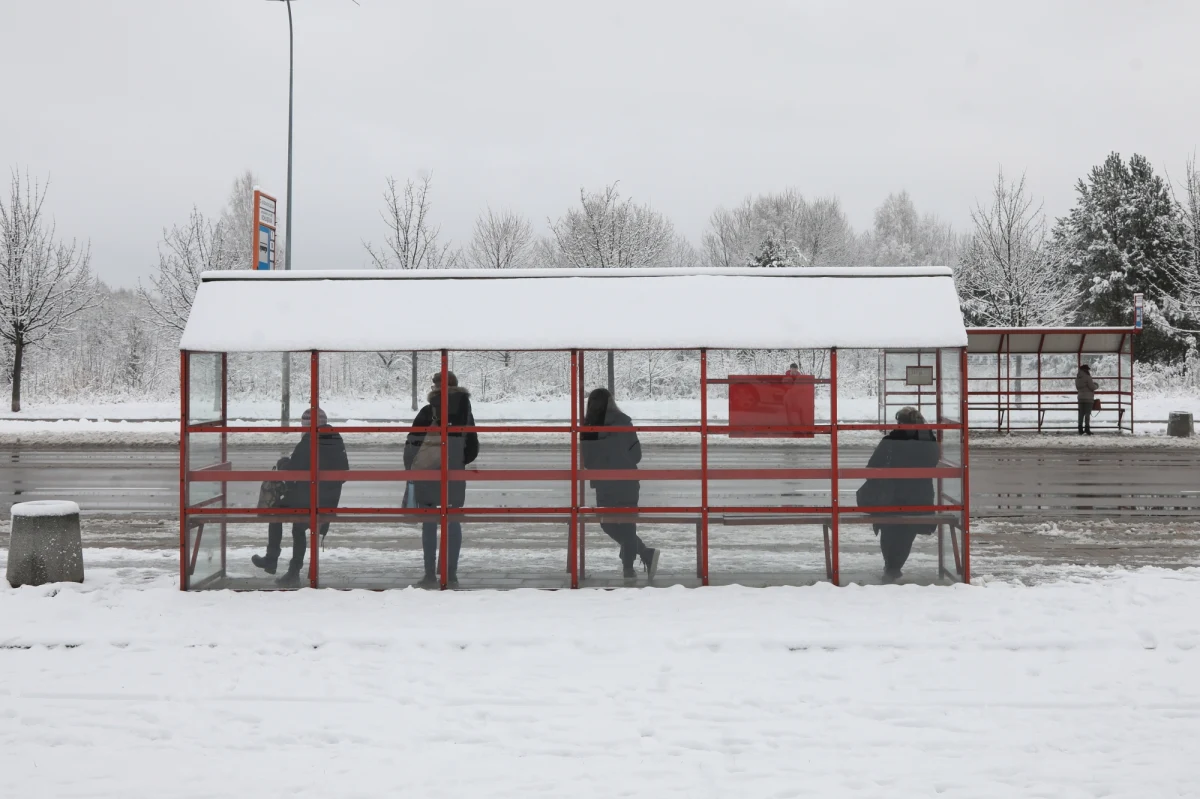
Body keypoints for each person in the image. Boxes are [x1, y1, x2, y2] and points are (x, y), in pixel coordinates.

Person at [252, 407, 349, 587]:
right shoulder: (335, 439)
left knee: (276, 511)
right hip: (327, 500)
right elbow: (343, 472)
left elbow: (292, 470)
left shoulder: (310, 439)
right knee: (298, 527)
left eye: (304, 425)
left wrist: (283, 462)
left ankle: (274, 559)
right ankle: (291, 570)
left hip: (311, 500)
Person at [404, 371, 480, 588]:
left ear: (436, 387)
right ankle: (451, 574)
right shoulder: (466, 413)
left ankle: (430, 574)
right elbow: (472, 447)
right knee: (453, 520)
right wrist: (456, 461)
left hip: (428, 475)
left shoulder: (428, 411)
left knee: (429, 523)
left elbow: (413, 442)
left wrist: (415, 467)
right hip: (454, 474)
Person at [581, 388, 660, 581]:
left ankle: (634, 564)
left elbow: (588, 461)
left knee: (607, 524)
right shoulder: (624, 422)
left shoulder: (589, 427)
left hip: (604, 485)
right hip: (627, 483)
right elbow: (636, 455)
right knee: (628, 526)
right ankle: (636, 561)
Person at [858, 406, 940, 582]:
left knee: (889, 530)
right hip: (919, 500)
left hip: (889, 497)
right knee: (906, 533)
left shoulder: (890, 441)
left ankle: (891, 567)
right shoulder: (929, 441)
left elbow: (871, 467)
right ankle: (894, 567)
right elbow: (933, 462)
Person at [1076, 363, 1098, 436]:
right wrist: (1096, 385)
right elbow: (1092, 387)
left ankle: (1080, 429)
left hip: (1080, 398)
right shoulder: (1088, 377)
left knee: (1081, 414)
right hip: (1088, 399)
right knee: (1087, 414)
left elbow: (1077, 387)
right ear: (1086, 370)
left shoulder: (1078, 377)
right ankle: (1087, 428)